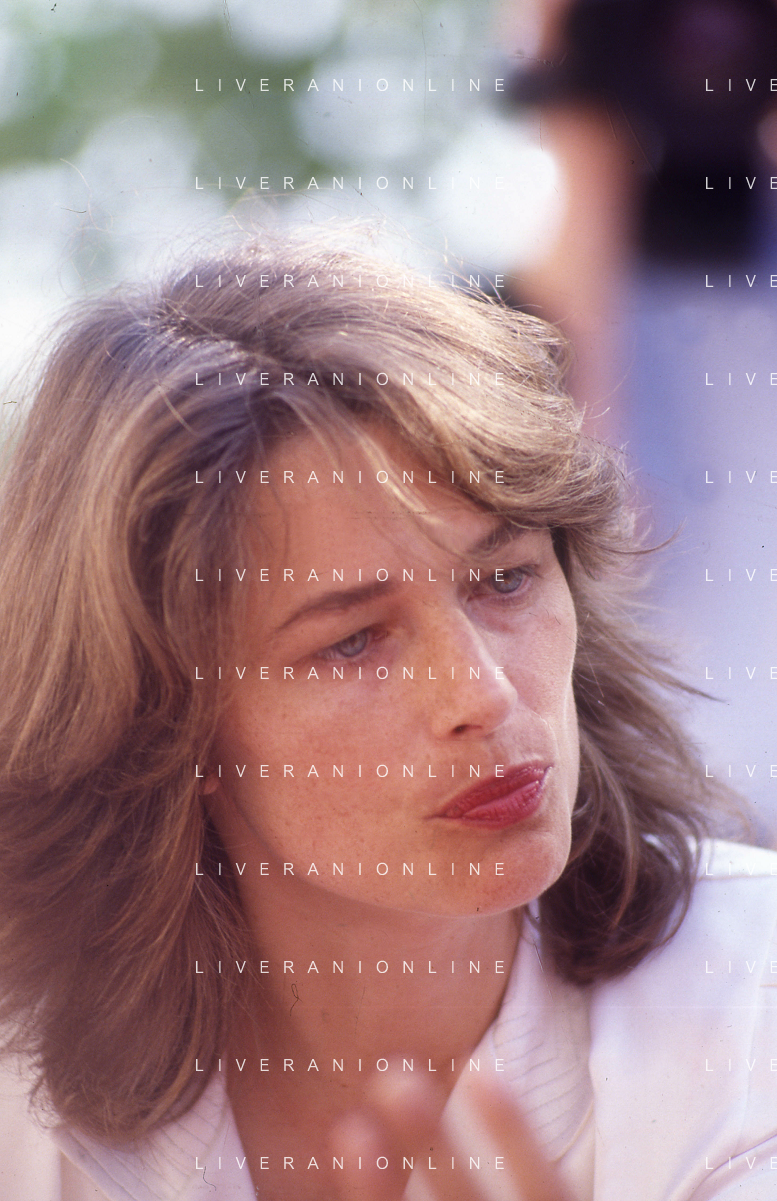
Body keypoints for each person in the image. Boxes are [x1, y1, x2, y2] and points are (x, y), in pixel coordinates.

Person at [0, 228, 775, 1201]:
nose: (483, 694)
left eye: (504, 579)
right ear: (166, 725)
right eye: (353, 641)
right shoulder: (23, 1085)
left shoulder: (751, 998)